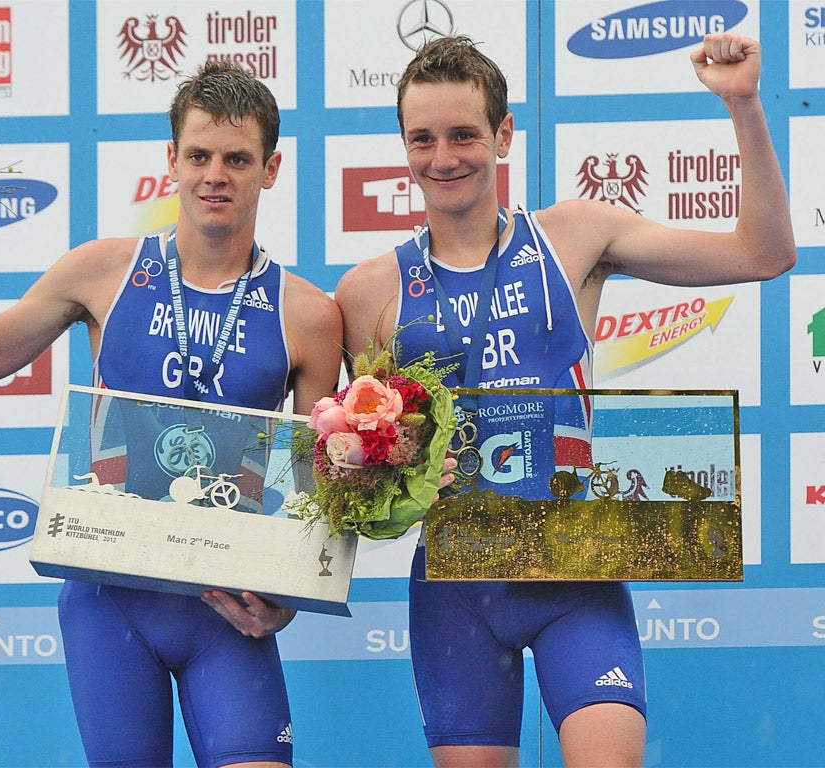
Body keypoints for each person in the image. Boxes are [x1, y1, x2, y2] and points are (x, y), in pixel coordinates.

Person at [0, 60, 343, 768]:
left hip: (228, 615)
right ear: (171, 160)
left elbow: (313, 491)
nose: (215, 174)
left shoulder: (311, 315)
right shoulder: (99, 273)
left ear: (272, 167)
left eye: (237, 158)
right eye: (198, 155)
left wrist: (288, 600)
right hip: (110, 605)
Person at [334, 33, 794, 768]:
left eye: (464, 134)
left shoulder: (572, 238)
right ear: (404, 146)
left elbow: (764, 253)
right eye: (422, 138)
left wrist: (742, 105)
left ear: (504, 134)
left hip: (576, 571)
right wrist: (393, 488)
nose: (442, 156)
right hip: (456, 588)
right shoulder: (367, 293)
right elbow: (355, 475)